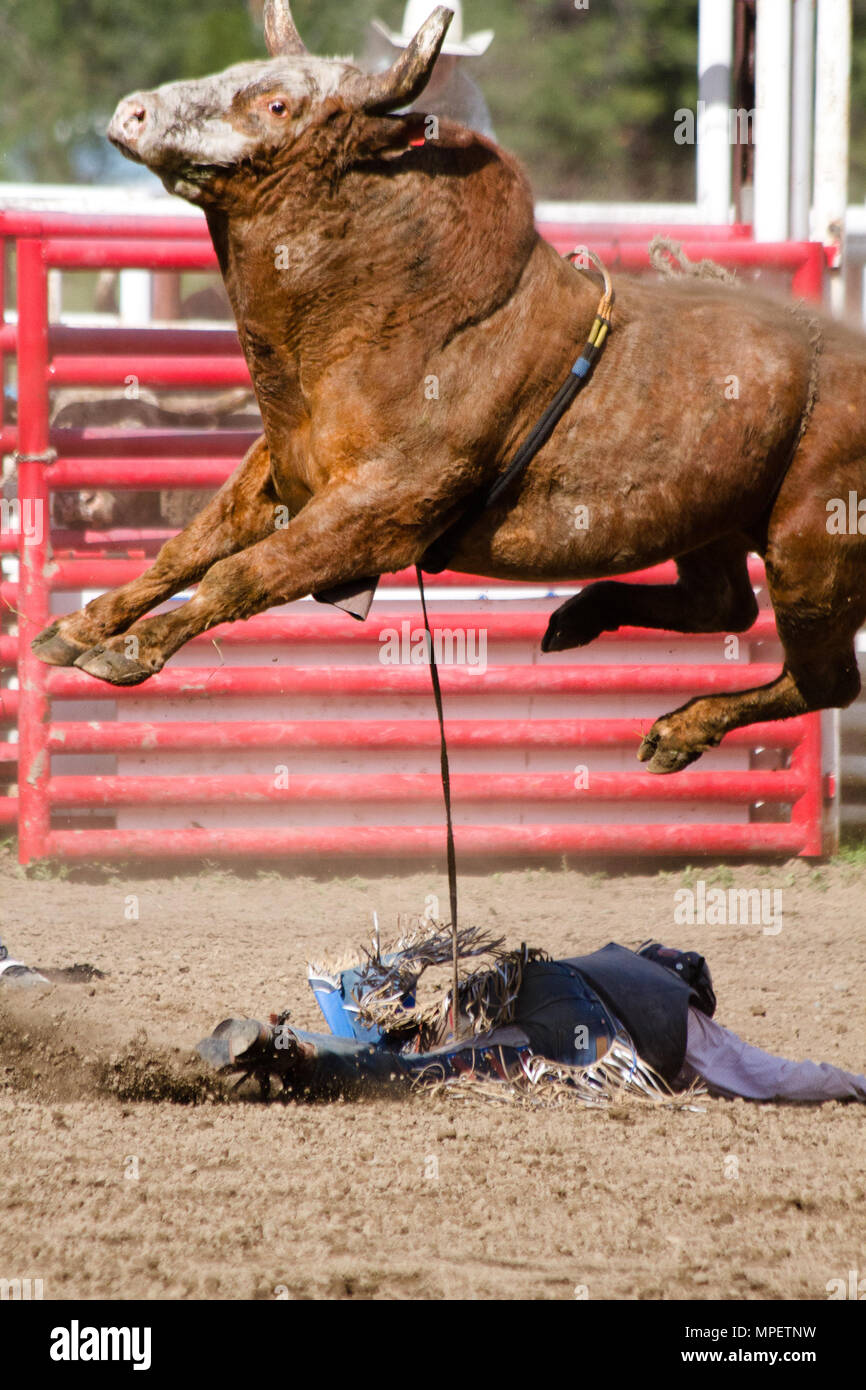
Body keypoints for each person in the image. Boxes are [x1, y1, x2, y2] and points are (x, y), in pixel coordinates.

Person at [196, 933, 866, 1105]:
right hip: (576, 1029)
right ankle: (305, 1055)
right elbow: (768, 1075)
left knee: (421, 1039)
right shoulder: (684, 1013)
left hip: (526, 981)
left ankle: (299, 1036)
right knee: (429, 1072)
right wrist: (853, 1082)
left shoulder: (617, 960)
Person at [367, 0, 497, 139]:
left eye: (442, 60)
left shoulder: (466, 96)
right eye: (424, 59)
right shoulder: (377, 86)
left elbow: (485, 147)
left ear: (457, 59)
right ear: (402, 54)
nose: (432, 70)